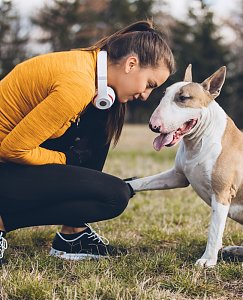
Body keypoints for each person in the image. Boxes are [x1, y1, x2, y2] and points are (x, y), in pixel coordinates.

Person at [0, 20, 175, 262]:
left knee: (105, 112)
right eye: (149, 84)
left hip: (8, 166)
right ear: (131, 64)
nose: (145, 95)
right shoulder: (77, 86)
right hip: (6, 164)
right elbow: (13, 149)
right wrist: (64, 159)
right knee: (114, 196)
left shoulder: (87, 68)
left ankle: (73, 235)